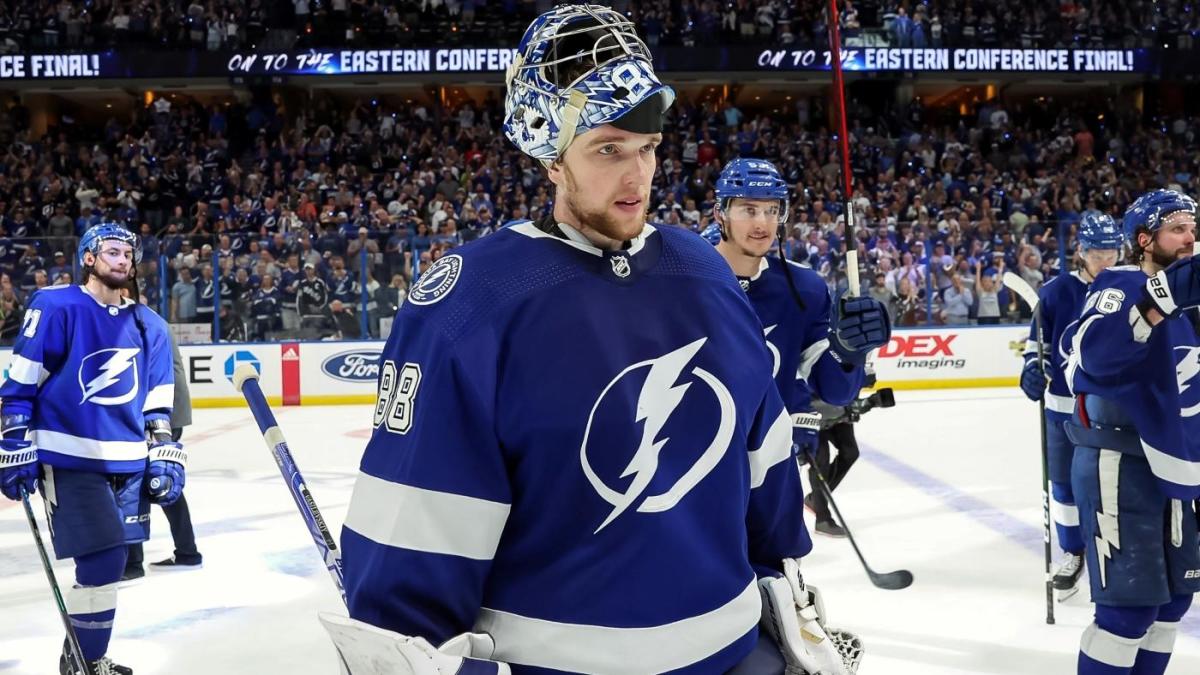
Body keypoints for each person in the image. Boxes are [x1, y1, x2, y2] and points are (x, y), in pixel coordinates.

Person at [335, 5, 856, 674]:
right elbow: (412, 570)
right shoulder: (470, 306)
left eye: (649, 147)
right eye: (609, 149)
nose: (638, 176)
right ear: (551, 154)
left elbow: (769, 491)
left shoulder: (706, 275)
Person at [0, 223, 185, 675]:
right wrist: (13, 441)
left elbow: (157, 403)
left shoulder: (149, 324)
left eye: (129, 254)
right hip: (69, 457)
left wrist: (165, 451)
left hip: (128, 460)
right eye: (114, 252)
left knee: (113, 562)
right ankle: (84, 662)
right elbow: (21, 382)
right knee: (103, 556)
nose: (124, 260)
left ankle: (84, 658)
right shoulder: (56, 305)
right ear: (88, 257)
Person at [702, 158, 890, 538]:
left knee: (776, 576)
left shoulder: (803, 288)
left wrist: (850, 351)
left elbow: (835, 390)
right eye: (748, 209)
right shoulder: (685, 278)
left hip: (773, 466)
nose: (762, 223)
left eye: (772, 210)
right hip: (696, 463)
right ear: (720, 212)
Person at [1060, 189, 1200, 675]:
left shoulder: (1196, 293)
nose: (1190, 238)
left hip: (1179, 463)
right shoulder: (1117, 284)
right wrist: (1160, 299)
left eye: (1192, 228)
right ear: (1145, 240)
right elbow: (1096, 356)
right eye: (1177, 229)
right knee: (1127, 613)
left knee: (1173, 606)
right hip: (1121, 463)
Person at [1018, 211, 1124, 599]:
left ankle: (1114, 553)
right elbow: (1037, 345)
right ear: (1081, 252)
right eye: (1098, 253)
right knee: (1062, 484)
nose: (1106, 260)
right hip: (1063, 408)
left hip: (1111, 409)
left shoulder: (1131, 288)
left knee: (1111, 485)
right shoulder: (1057, 291)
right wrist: (1032, 368)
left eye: (1112, 251)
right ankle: (1074, 551)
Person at [124, 328, 201, 580]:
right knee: (164, 479)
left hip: (156, 415)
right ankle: (187, 551)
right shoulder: (150, 321)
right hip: (165, 414)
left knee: (137, 480)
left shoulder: (141, 324)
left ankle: (133, 563)